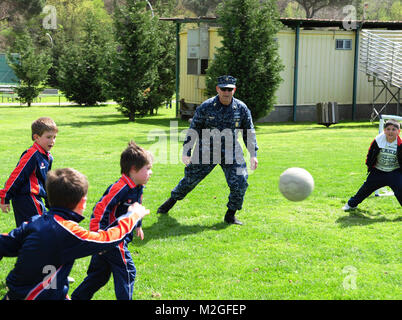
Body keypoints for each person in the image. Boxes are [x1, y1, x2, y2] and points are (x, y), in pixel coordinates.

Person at [0, 168, 150, 300]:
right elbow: (107, 239)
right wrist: (132, 216)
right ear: (82, 202)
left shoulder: (34, 222)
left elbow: (4, 242)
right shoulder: (69, 231)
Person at [157, 75, 258, 225]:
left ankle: (230, 215)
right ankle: (170, 202)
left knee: (241, 180)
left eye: (229, 89)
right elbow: (194, 129)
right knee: (189, 181)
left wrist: (253, 154)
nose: (226, 92)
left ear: (234, 90)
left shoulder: (241, 108)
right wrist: (186, 152)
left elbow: (248, 131)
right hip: (206, 151)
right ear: (218, 89)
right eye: (223, 89)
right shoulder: (206, 106)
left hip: (231, 151)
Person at [72, 141, 153, 300]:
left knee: (99, 275)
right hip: (112, 239)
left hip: (111, 239)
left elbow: (137, 207)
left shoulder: (138, 187)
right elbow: (100, 210)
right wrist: (97, 236)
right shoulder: (120, 188)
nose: (151, 172)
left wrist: (138, 225)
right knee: (128, 271)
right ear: (133, 170)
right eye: (148, 169)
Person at [0, 117, 58, 227]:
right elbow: (17, 176)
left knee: (30, 232)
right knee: (40, 228)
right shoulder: (32, 154)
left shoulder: (48, 158)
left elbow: (46, 182)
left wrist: (49, 202)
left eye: (54, 137)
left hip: (35, 198)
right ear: (36, 137)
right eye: (49, 137)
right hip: (26, 198)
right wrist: (5, 197)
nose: (52, 141)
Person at [343, 119, 402, 210]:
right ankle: (351, 204)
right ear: (384, 130)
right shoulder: (378, 140)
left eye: (394, 129)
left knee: (400, 190)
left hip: (394, 172)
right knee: (365, 189)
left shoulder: (400, 144)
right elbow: (370, 153)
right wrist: (370, 166)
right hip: (378, 171)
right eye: (388, 129)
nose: (390, 131)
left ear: (398, 131)